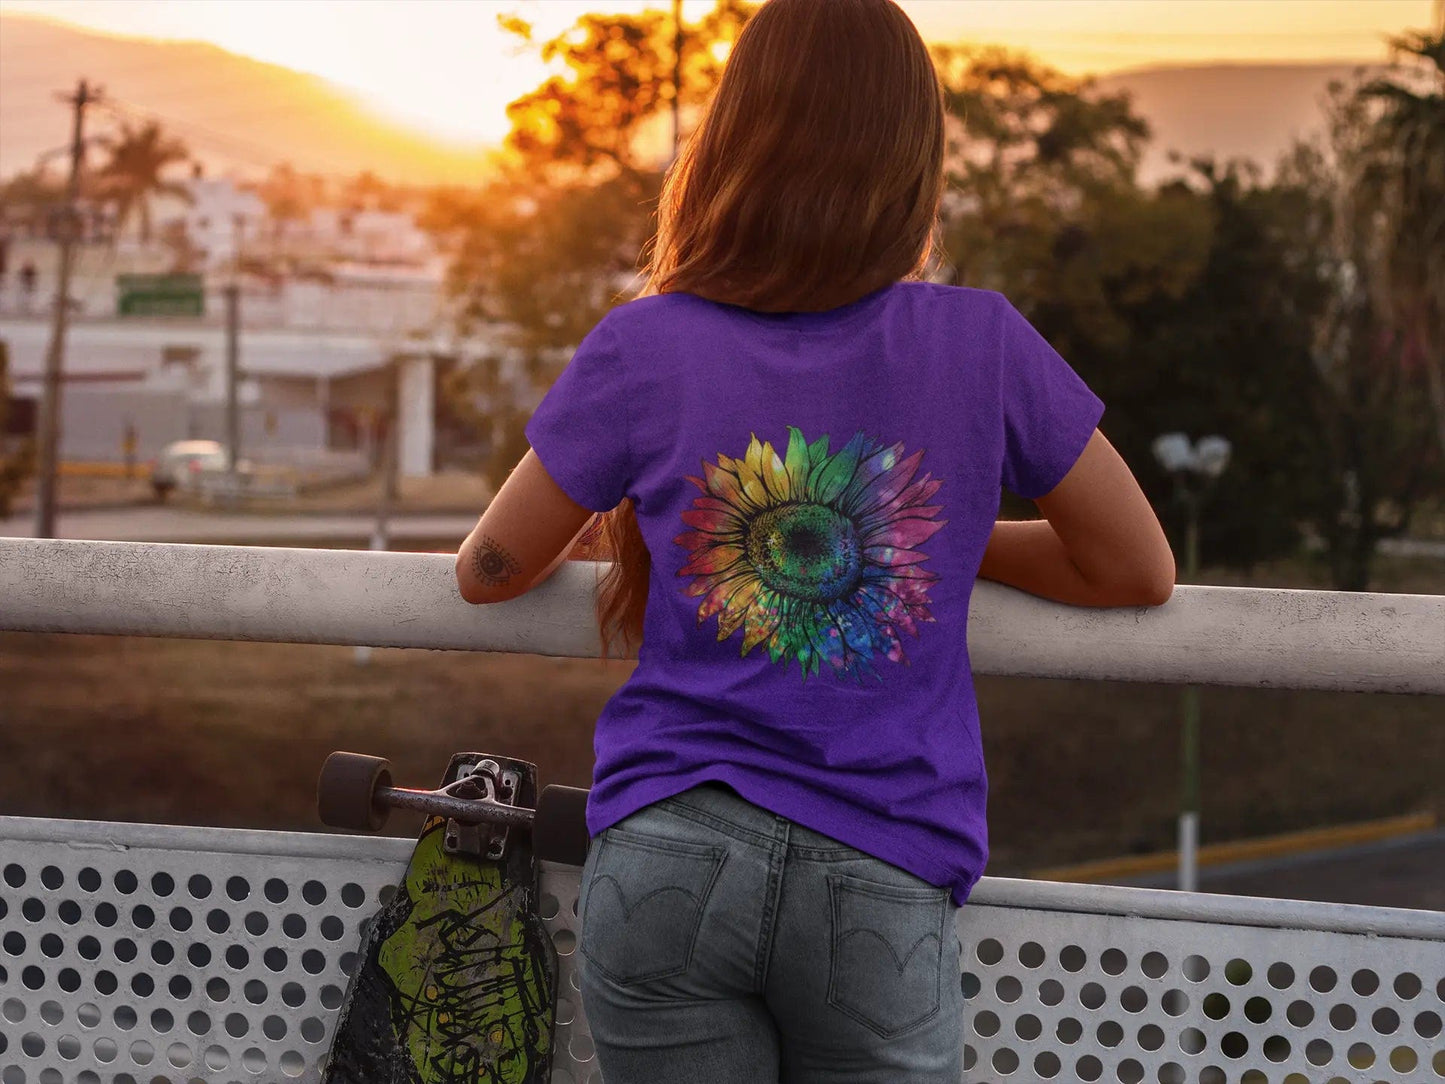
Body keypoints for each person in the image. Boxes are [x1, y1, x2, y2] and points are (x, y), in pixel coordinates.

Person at [455, 0, 1174, 1079]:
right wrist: (932, 541)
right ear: (910, 164)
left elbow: (488, 570)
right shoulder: (981, 342)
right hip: (879, 868)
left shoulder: (646, 343)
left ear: (731, 146)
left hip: (667, 856)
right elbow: (1133, 569)